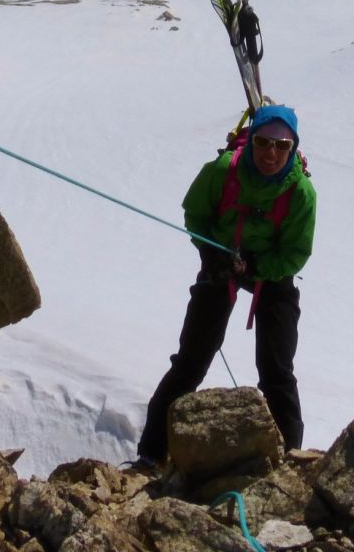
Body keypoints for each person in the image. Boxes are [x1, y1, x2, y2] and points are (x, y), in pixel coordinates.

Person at [136, 104, 317, 463]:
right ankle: (150, 456)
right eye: (265, 142)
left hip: (272, 275)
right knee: (190, 361)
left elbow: (295, 253)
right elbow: (197, 214)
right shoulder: (223, 171)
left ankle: (290, 461)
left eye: (282, 146)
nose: (271, 153)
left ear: (293, 149)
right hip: (222, 261)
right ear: (252, 142)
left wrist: (257, 268)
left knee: (276, 371)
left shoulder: (300, 193)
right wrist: (211, 252)